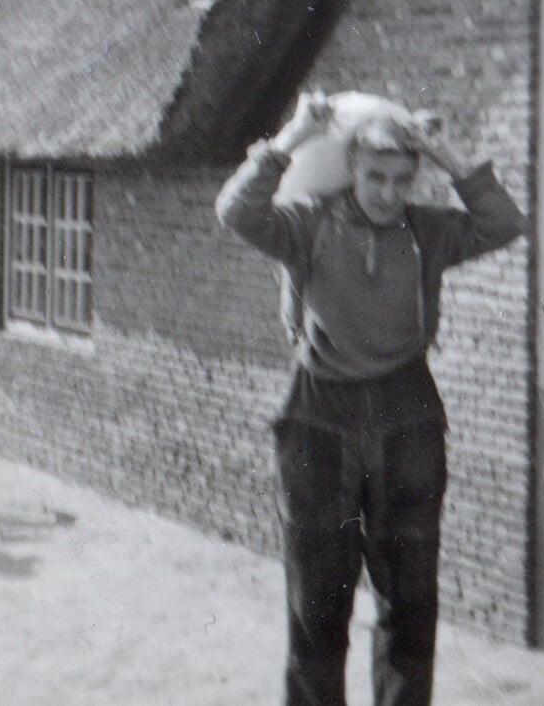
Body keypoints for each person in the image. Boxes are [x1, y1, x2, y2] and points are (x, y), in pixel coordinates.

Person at [216, 91, 525, 706]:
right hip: (317, 417)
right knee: (316, 612)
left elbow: (504, 223)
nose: (387, 193)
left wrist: (446, 154)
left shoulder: (429, 233)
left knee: (410, 606)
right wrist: (292, 139)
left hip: (408, 414)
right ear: (351, 169)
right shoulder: (307, 223)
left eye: (401, 180)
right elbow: (236, 211)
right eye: (375, 177)